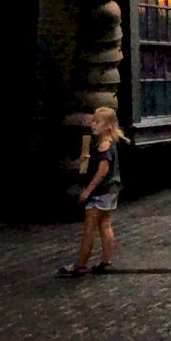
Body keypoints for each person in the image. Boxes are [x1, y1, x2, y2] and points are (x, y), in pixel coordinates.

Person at [57, 107, 126, 278]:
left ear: (108, 126)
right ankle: (105, 261)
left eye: (97, 122)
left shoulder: (103, 145)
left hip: (100, 192)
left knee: (89, 228)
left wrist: (87, 191)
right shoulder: (111, 142)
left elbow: (102, 170)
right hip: (111, 189)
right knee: (105, 225)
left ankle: (80, 265)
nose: (93, 125)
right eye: (93, 121)